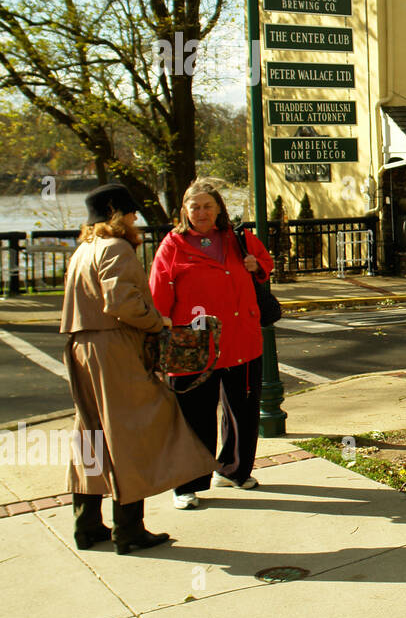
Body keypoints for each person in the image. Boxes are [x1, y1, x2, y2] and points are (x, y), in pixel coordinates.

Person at [62, 183, 216, 554]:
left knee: (91, 434)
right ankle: (128, 531)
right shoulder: (116, 247)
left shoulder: (85, 249)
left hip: (80, 346)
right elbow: (123, 303)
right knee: (129, 432)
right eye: (130, 212)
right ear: (117, 213)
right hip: (112, 346)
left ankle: (87, 525)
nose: (135, 218)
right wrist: (157, 322)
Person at [149, 178, 274, 510]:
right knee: (193, 416)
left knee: (243, 411)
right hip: (192, 344)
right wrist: (159, 336)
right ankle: (185, 484)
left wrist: (256, 265)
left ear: (219, 208)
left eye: (207, 206)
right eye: (195, 207)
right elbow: (159, 292)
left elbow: (266, 264)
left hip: (241, 339)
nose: (201, 212)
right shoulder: (173, 244)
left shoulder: (239, 239)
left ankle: (233, 470)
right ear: (184, 211)